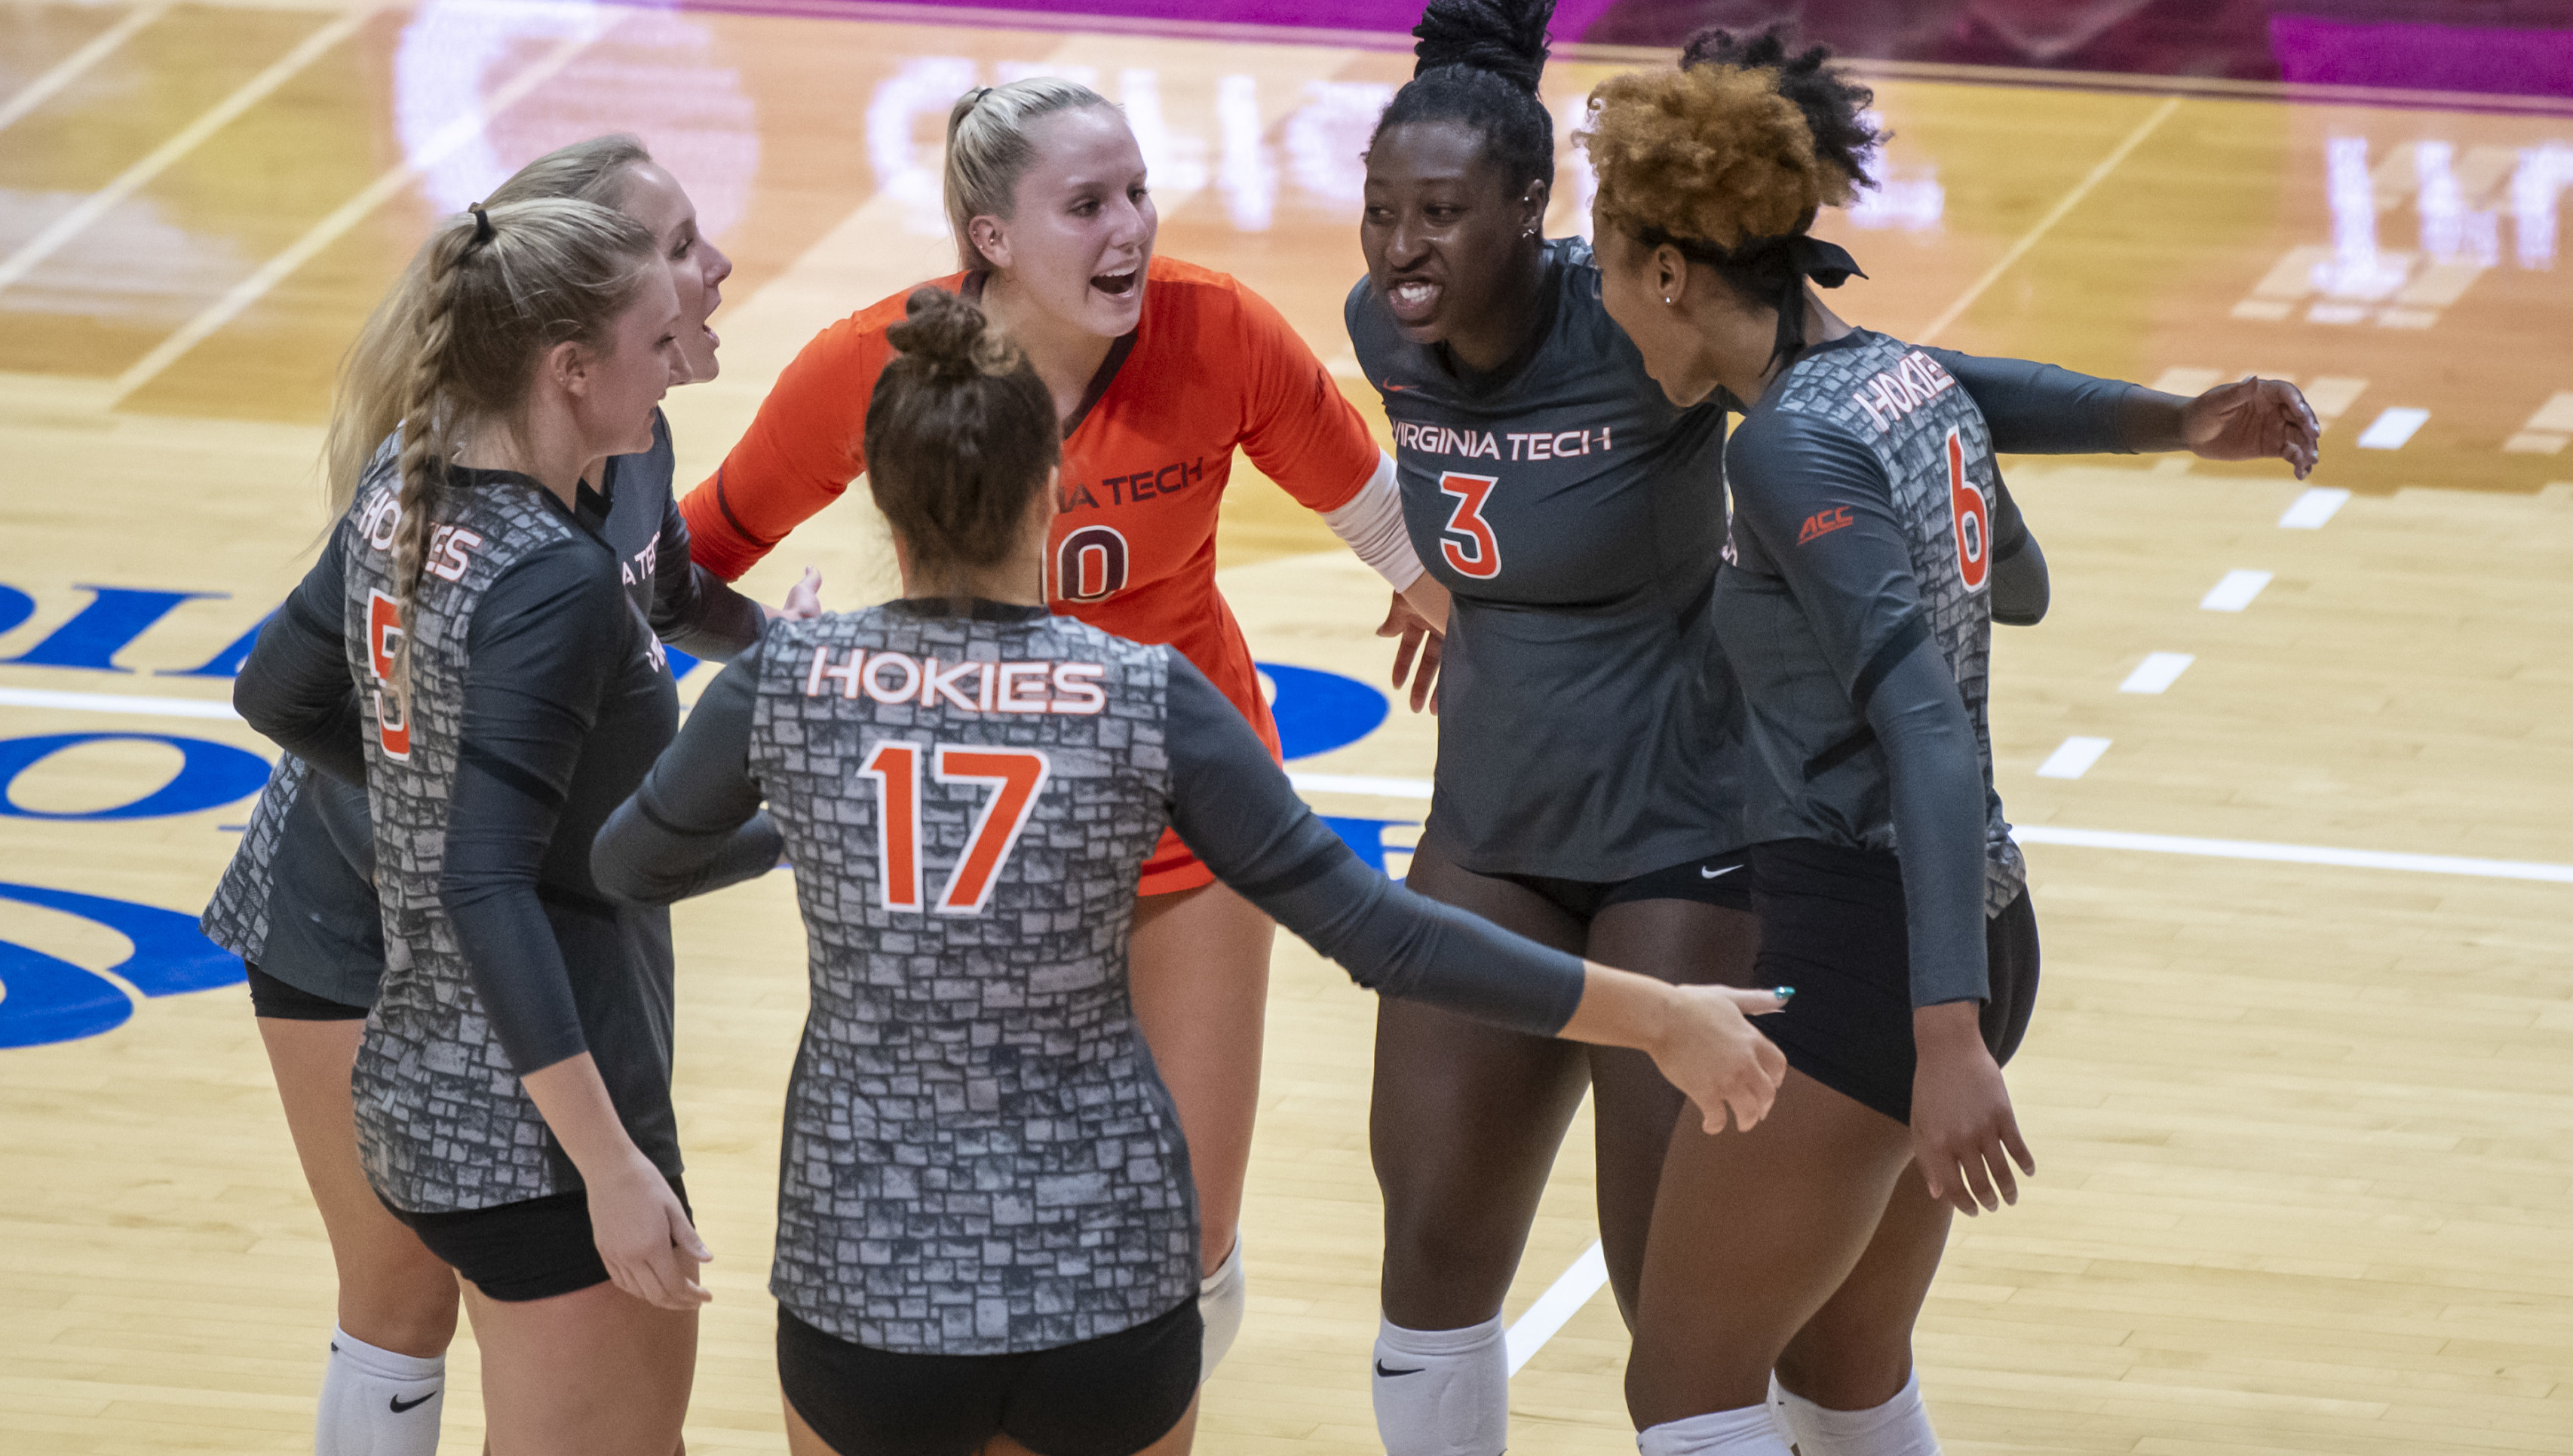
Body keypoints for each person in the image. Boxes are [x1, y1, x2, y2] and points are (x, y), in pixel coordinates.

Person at [1347, 7, 2323, 1453]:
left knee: (1686, 1345)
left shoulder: (1742, 402)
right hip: (1714, 862)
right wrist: (1414, 566)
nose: (1402, 247)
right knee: (1807, 1348)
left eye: (1442, 213)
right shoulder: (1813, 388)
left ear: (1601, 248)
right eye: (1381, 214)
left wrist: (1945, 1031)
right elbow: (1963, 470)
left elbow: (1927, 689)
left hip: (1773, 881)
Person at [590, 287, 1793, 1456]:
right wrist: (1659, 1017)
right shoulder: (1146, 694)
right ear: (1056, 489)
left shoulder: (789, 683)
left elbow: (633, 863)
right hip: (1108, 1274)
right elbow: (1382, 932)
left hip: (867, 1271)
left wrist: (810, 807)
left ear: (883, 505)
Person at [672, 78, 1446, 1371]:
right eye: (1085, 204)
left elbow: (1385, 521)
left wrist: (1493, 635)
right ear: (989, 237)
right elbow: (687, 556)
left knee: (1185, 1238)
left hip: (1184, 806)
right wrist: (782, 662)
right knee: (984, 1210)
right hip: (987, 834)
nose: (1130, 228)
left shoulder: (1219, 329)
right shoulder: (877, 365)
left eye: (1138, 191)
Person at [198, 133, 810, 1456]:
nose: (712, 270)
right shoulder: (454, 507)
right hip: (362, 932)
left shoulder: (615, 444)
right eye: (674, 248)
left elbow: (660, 592)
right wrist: (454, 801)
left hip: (492, 950)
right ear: (567, 341)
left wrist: (787, 657)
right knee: (409, 1303)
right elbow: (504, 857)